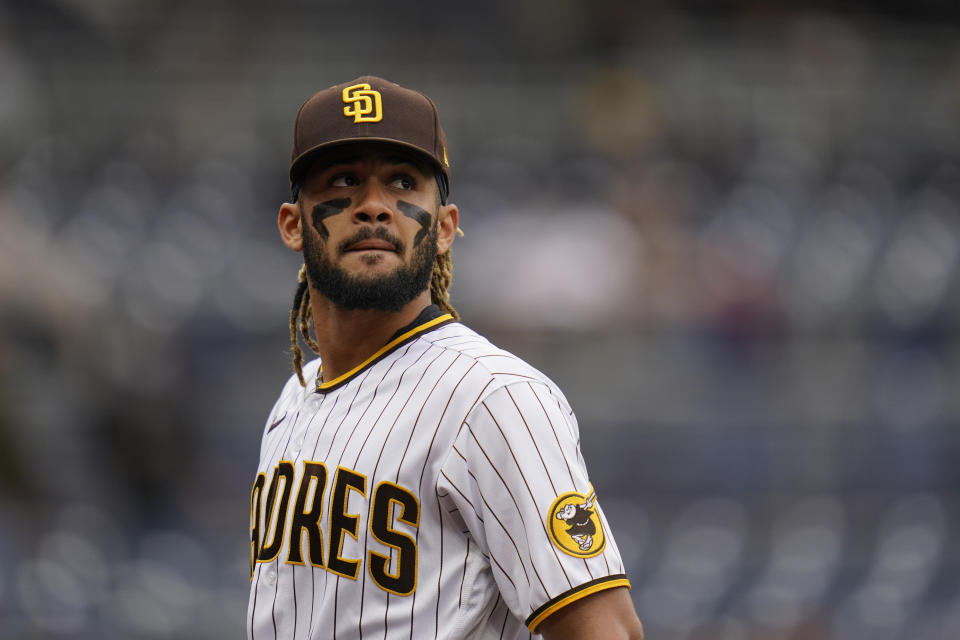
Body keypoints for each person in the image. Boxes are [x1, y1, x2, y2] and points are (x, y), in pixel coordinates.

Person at [247, 75, 644, 640]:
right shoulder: (295, 394)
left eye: (403, 183)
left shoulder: (494, 397)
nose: (375, 207)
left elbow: (608, 632)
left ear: (445, 229)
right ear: (292, 225)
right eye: (344, 181)